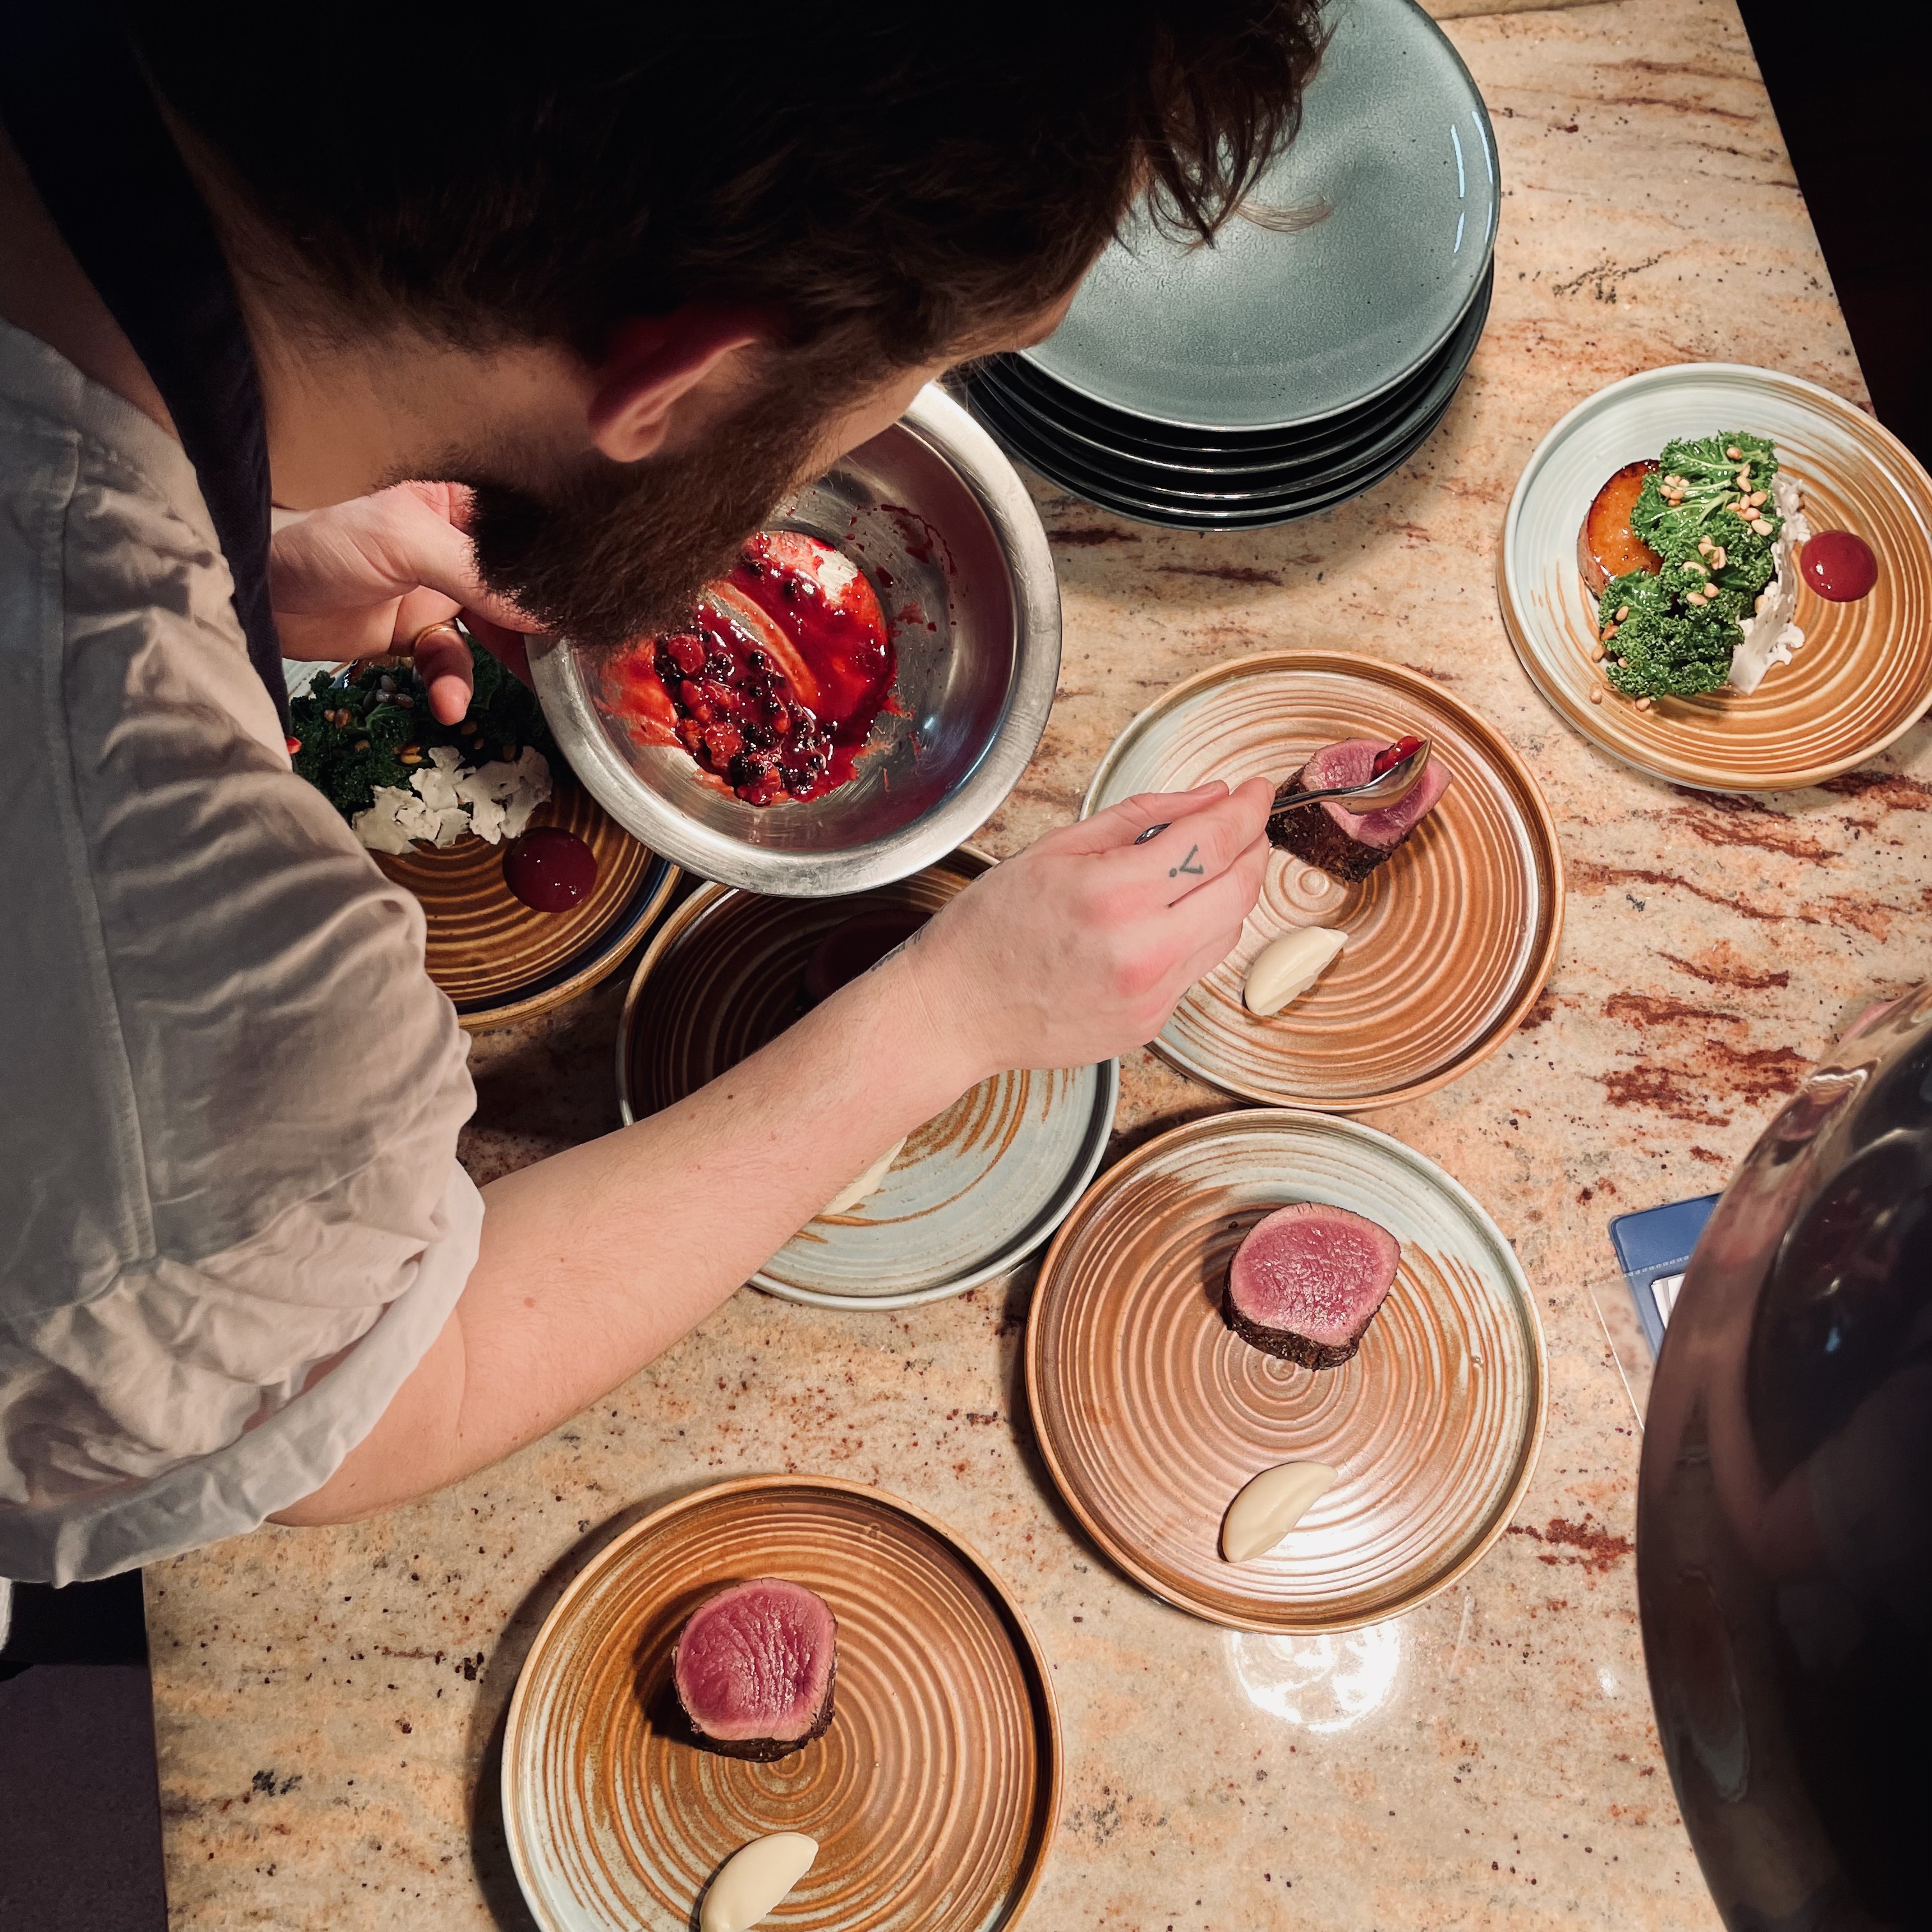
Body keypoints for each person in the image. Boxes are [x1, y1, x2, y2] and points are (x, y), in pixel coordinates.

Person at [0, 3, 1324, 1586]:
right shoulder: (181, 958)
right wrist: (951, 1014)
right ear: (684, 380)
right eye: (926, 375)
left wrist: (249, 553)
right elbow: (367, 1403)